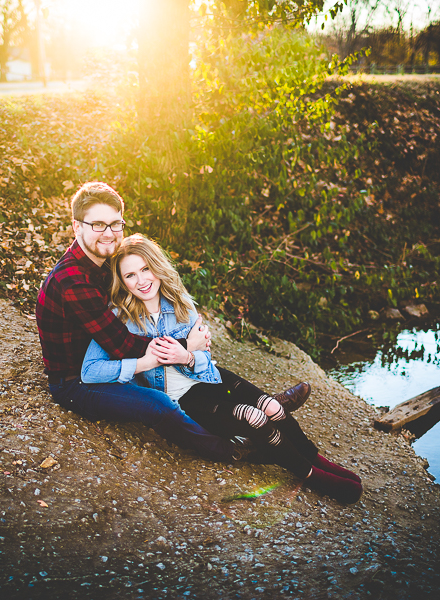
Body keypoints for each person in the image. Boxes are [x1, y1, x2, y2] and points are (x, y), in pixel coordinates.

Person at [35, 181, 307, 463]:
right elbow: (122, 344)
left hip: (111, 359)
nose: (109, 233)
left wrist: (189, 341)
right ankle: (232, 449)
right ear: (77, 227)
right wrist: (184, 344)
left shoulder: (100, 261)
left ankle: (262, 406)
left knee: (197, 370)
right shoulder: (73, 281)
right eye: (98, 225)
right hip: (78, 382)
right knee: (158, 403)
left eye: (116, 224)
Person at [81, 234, 363, 504]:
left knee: (273, 408)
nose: (141, 280)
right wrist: (147, 362)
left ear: (156, 267)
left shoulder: (181, 303)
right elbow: (89, 372)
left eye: (145, 269)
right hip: (182, 399)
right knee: (254, 418)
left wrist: (188, 356)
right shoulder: (118, 317)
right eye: (130, 275)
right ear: (122, 281)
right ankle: (313, 475)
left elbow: (204, 359)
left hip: (208, 377)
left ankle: (318, 459)